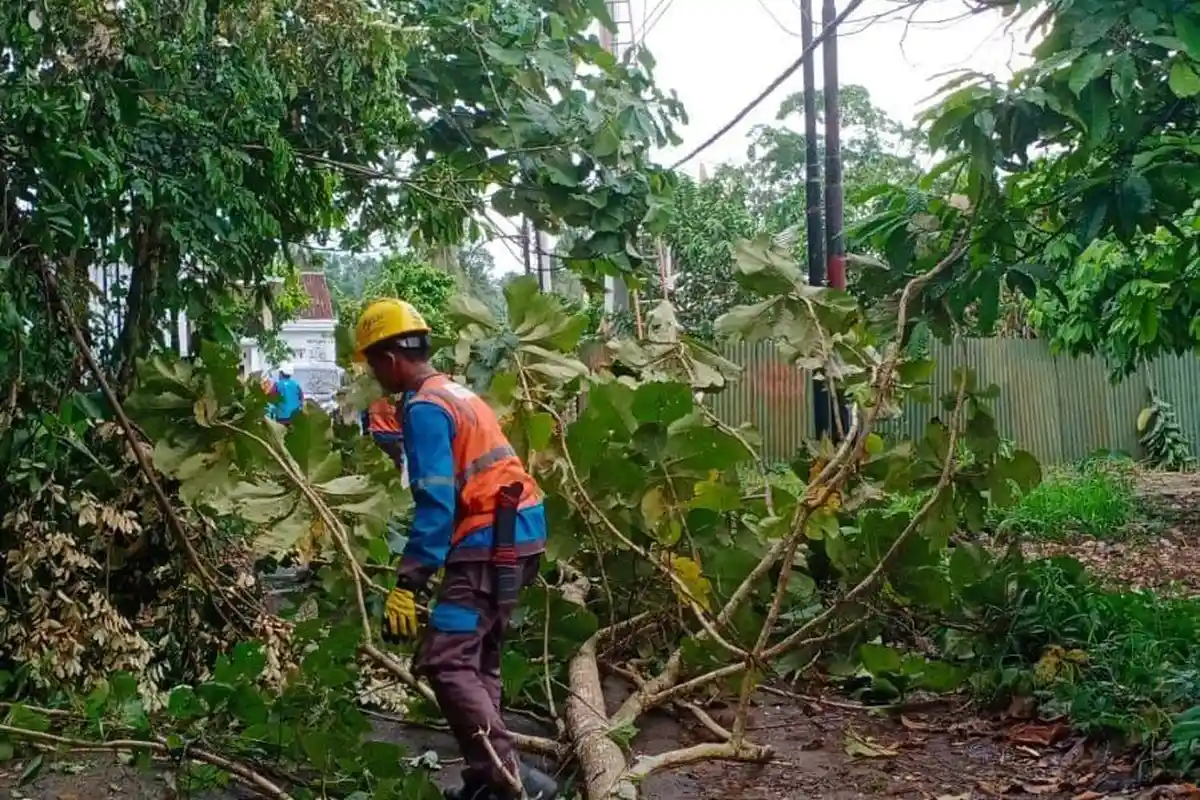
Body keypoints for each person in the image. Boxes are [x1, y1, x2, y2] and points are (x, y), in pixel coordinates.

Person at [353, 298, 558, 800]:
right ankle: (486, 782)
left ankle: (513, 781)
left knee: (446, 661)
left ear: (388, 359)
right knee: (479, 658)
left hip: (490, 540)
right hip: (521, 534)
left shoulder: (422, 407)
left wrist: (409, 581)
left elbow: (437, 501)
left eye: (373, 366)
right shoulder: (456, 392)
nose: (376, 378)